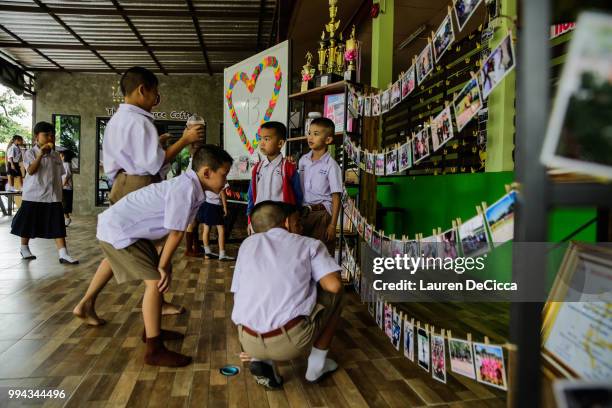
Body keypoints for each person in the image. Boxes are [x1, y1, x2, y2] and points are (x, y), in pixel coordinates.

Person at [73, 66, 204, 326]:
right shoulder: (140, 120)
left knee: (118, 247)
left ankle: (88, 302)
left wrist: (159, 144)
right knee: (157, 245)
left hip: (122, 183)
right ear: (143, 90)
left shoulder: (119, 119)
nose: (157, 98)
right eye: (155, 92)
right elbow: (154, 164)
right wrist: (185, 139)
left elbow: (141, 156)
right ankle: (155, 297)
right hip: (137, 183)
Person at [96, 145, 232, 366]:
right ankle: (154, 348)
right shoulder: (185, 189)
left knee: (159, 276)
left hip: (131, 231)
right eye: (223, 175)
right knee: (155, 282)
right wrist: (162, 264)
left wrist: (162, 261)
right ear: (206, 172)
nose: (225, 182)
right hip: (118, 231)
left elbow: (165, 226)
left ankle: (152, 330)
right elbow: (177, 232)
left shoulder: (192, 187)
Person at [232, 201, 344, 389]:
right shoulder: (309, 244)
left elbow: (237, 292)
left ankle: (260, 357)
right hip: (291, 342)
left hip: (247, 338)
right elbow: (333, 286)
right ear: (286, 223)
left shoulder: (246, 245)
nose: (301, 227)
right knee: (338, 294)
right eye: (298, 222)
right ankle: (316, 366)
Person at [10, 122, 78, 264]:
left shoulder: (55, 155)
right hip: (33, 195)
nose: (49, 138)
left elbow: (60, 176)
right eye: (46, 135)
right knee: (28, 223)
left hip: (53, 196)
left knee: (58, 225)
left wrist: (60, 196)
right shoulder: (29, 153)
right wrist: (40, 155)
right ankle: (24, 247)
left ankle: (63, 253)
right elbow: (31, 170)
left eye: (51, 135)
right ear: (37, 137)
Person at [246, 121, 302, 231]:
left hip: (281, 222)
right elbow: (251, 197)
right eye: (260, 139)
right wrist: (249, 220)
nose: (261, 143)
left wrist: (293, 219)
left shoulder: (288, 168)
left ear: (280, 143)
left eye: (266, 139)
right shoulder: (257, 168)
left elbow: (298, 196)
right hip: (259, 220)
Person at [298, 117, 342, 255]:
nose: (310, 137)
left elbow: (336, 197)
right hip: (303, 214)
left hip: (322, 215)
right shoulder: (303, 160)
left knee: (321, 256)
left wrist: (333, 225)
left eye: (316, 134)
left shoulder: (331, 165)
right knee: (303, 255)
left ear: (328, 140)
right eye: (309, 133)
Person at [197, 180, 233, 260]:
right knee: (221, 229)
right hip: (216, 206)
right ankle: (222, 254)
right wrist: (225, 207)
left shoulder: (206, 178)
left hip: (206, 204)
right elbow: (222, 193)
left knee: (206, 228)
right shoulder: (220, 177)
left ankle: (207, 252)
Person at [59, 150, 73, 226]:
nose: (60, 156)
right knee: (62, 204)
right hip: (64, 187)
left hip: (66, 188)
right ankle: (66, 219)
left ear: (64, 156)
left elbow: (67, 176)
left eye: (61, 155)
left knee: (64, 205)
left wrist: (62, 186)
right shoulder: (64, 164)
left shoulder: (67, 164)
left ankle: (67, 219)